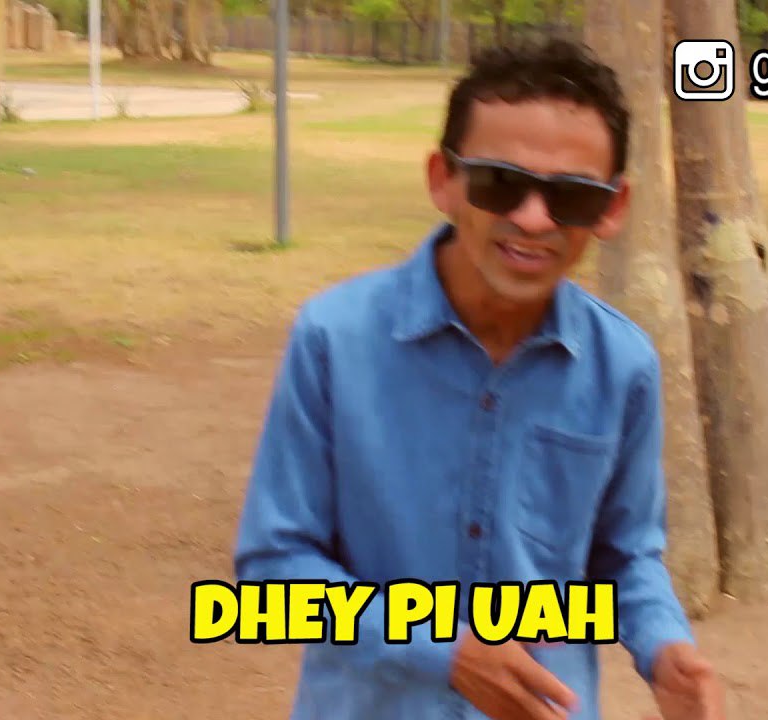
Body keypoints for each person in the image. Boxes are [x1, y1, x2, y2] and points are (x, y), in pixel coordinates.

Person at [233, 36, 726, 720]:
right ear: (444, 180)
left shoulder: (623, 366)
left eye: (571, 195)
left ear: (612, 207)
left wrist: (663, 647)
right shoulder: (335, 339)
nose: (532, 218)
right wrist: (441, 649)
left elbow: (627, 555)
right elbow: (271, 575)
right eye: (501, 183)